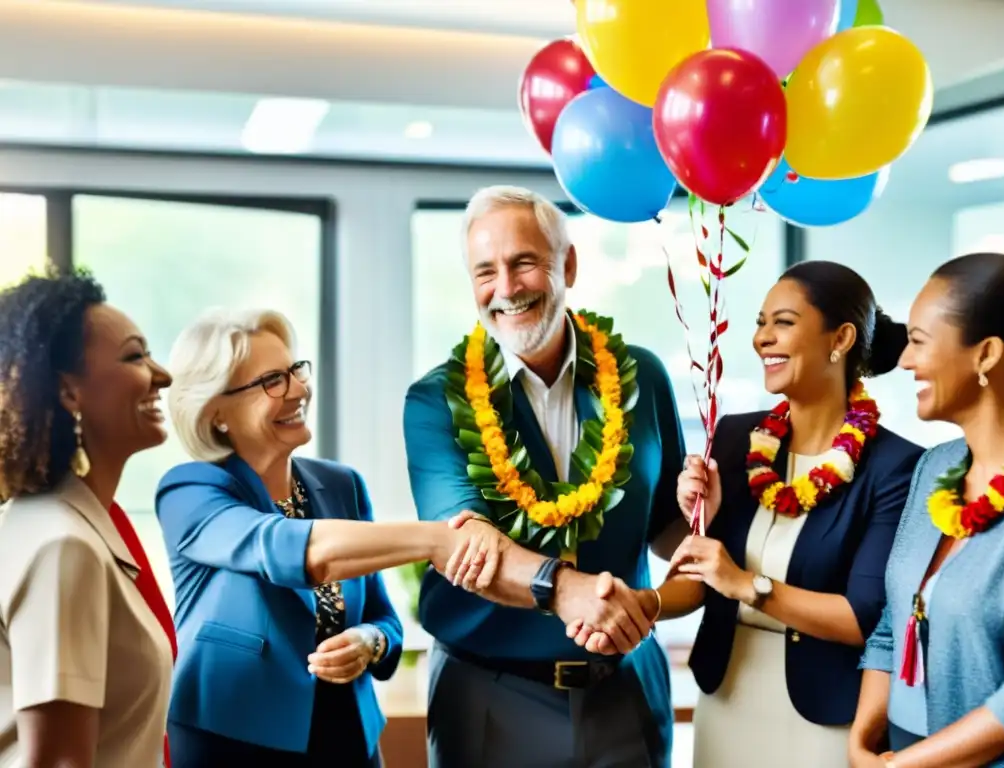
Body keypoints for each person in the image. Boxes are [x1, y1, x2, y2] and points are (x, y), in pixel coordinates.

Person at [577, 261, 922, 766]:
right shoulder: (737, 438)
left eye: (782, 322)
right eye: (760, 323)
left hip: (825, 718)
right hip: (728, 700)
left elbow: (862, 618)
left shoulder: (895, 466)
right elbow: (698, 579)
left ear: (841, 338)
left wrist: (745, 584)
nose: (762, 339)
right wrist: (638, 603)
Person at [404, 185, 687, 768]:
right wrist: (568, 591)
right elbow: (465, 546)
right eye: (486, 271)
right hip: (489, 695)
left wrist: (704, 514)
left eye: (524, 263)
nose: (506, 289)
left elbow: (668, 529)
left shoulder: (644, 377)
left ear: (569, 265)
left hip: (626, 688)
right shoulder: (435, 401)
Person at [156, 308, 506, 767]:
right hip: (234, 741)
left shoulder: (342, 485)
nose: (300, 389)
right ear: (215, 411)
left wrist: (368, 642)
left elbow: (386, 620)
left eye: (295, 370)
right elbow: (288, 549)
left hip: (347, 739)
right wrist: (437, 539)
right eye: (271, 381)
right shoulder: (190, 491)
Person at [850, 252, 1004, 767]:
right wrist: (862, 741)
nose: (904, 360)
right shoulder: (935, 467)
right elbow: (891, 622)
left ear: (986, 354)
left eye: (920, 342)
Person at [0, 271, 177, 767]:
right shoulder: (63, 545)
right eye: (135, 356)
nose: (162, 375)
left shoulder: (54, 523)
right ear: (68, 392)